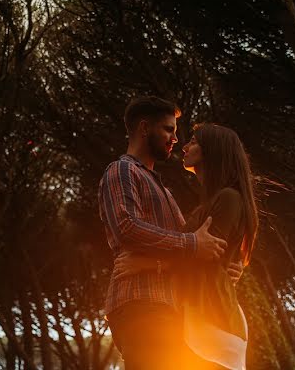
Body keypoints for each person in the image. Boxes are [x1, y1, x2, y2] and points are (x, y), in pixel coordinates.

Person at [99, 97, 243, 370]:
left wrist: (224, 266)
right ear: (144, 128)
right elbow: (127, 226)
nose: (175, 139)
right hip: (141, 300)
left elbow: (193, 251)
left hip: (169, 308)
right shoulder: (123, 170)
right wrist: (193, 245)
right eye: (168, 130)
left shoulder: (165, 192)